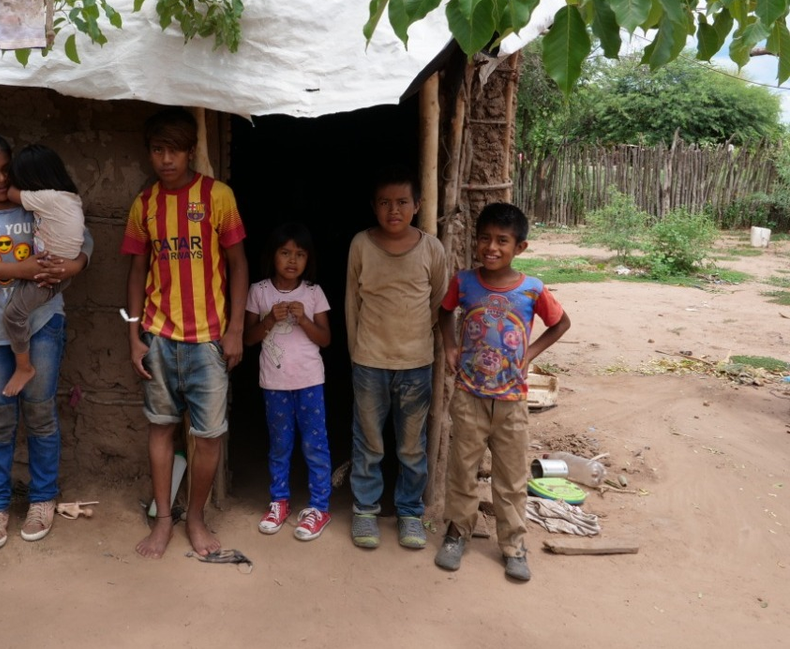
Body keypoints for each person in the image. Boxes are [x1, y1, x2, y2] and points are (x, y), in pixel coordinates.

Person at [0, 132, 91, 550]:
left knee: (41, 414)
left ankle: (43, 498)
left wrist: (74, 265)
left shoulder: (35, 201)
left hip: (42, 325)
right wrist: (21, 269)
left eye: (5, 170)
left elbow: (84, 237)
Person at [122, 106, 248, 559]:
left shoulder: (218, 197)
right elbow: (137, 271)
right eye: (158, 150)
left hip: (209, 342)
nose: (166, 159)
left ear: (191, 151)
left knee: (209, 435)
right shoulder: (145, 204)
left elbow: (238, 265)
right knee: (160, 429)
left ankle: (195, 517)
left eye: (174, 150)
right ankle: (163, 520)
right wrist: (134, 334)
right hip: (158, 337)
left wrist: (234, 330)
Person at [435, 202, 571, 582]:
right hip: (469, 396)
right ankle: (456, 532)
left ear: (520, 247)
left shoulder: (531, 289)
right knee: (462, 470)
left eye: (502, 241)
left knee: (510, 476)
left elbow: (561, 324)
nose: (491, 248)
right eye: (484, 239)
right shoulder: (464, 282)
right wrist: (449, 346)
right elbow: (444, 312)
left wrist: (529, 354)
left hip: (512, 400)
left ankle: (513, 544)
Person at [346, 168, 448, 551]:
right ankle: (365, 510)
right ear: (374, 207)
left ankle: (408, 513)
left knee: (411, 445)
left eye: (402, 202)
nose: (394, 210)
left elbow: (439, 303)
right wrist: (357, 353)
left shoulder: (431, 248)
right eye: (385, 202)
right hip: (369, 361)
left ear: (418, 205)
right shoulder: (361, 244)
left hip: (416, 364)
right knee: (369, 441)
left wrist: (416, 339)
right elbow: (351, 302)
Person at [243, 223, 333, 541]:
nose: (292, 260)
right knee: (280, 445)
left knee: (315, 444)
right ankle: (279, 502)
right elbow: (249, 338)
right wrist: (270, 319)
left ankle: (319, 507)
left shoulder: (312, 292)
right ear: (272, 256)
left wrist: (304, 319)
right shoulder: (259, 291)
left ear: (308, 259)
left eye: (300, 254)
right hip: (274, 382)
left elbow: (326, 338)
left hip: (310, 381)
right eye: (285, 253)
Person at [1, 144, 85, 397]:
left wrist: (15, 184)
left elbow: (11, 194)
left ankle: (24, 367)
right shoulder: (71, 197)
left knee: (13, 314)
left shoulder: (48, 198)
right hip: (59, 270)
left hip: (50, 273)